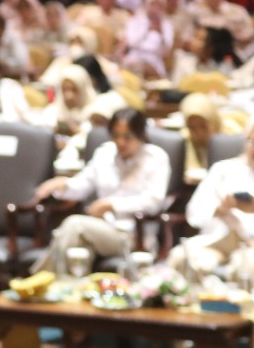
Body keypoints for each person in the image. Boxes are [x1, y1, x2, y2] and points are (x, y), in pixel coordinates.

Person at [32, 108, 171, 275]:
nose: (120, 142)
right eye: (115, 135)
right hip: (101, 229)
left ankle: (41, 279)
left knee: (75, 225)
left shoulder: (156, 158)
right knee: (77, 251)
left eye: (127, 137)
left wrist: (111, 204)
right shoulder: (105, 153)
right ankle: (70, 293)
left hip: (132, 234)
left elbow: (154, 201)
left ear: (140, 135)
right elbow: (82, 185)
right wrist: (63, 186)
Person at [170, 120, 254, 280]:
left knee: (248, 264)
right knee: (180, 257)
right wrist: (219, 209)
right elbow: (193, 213)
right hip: (216, 241)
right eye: (252, 141)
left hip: (249, 248)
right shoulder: (223, 169)